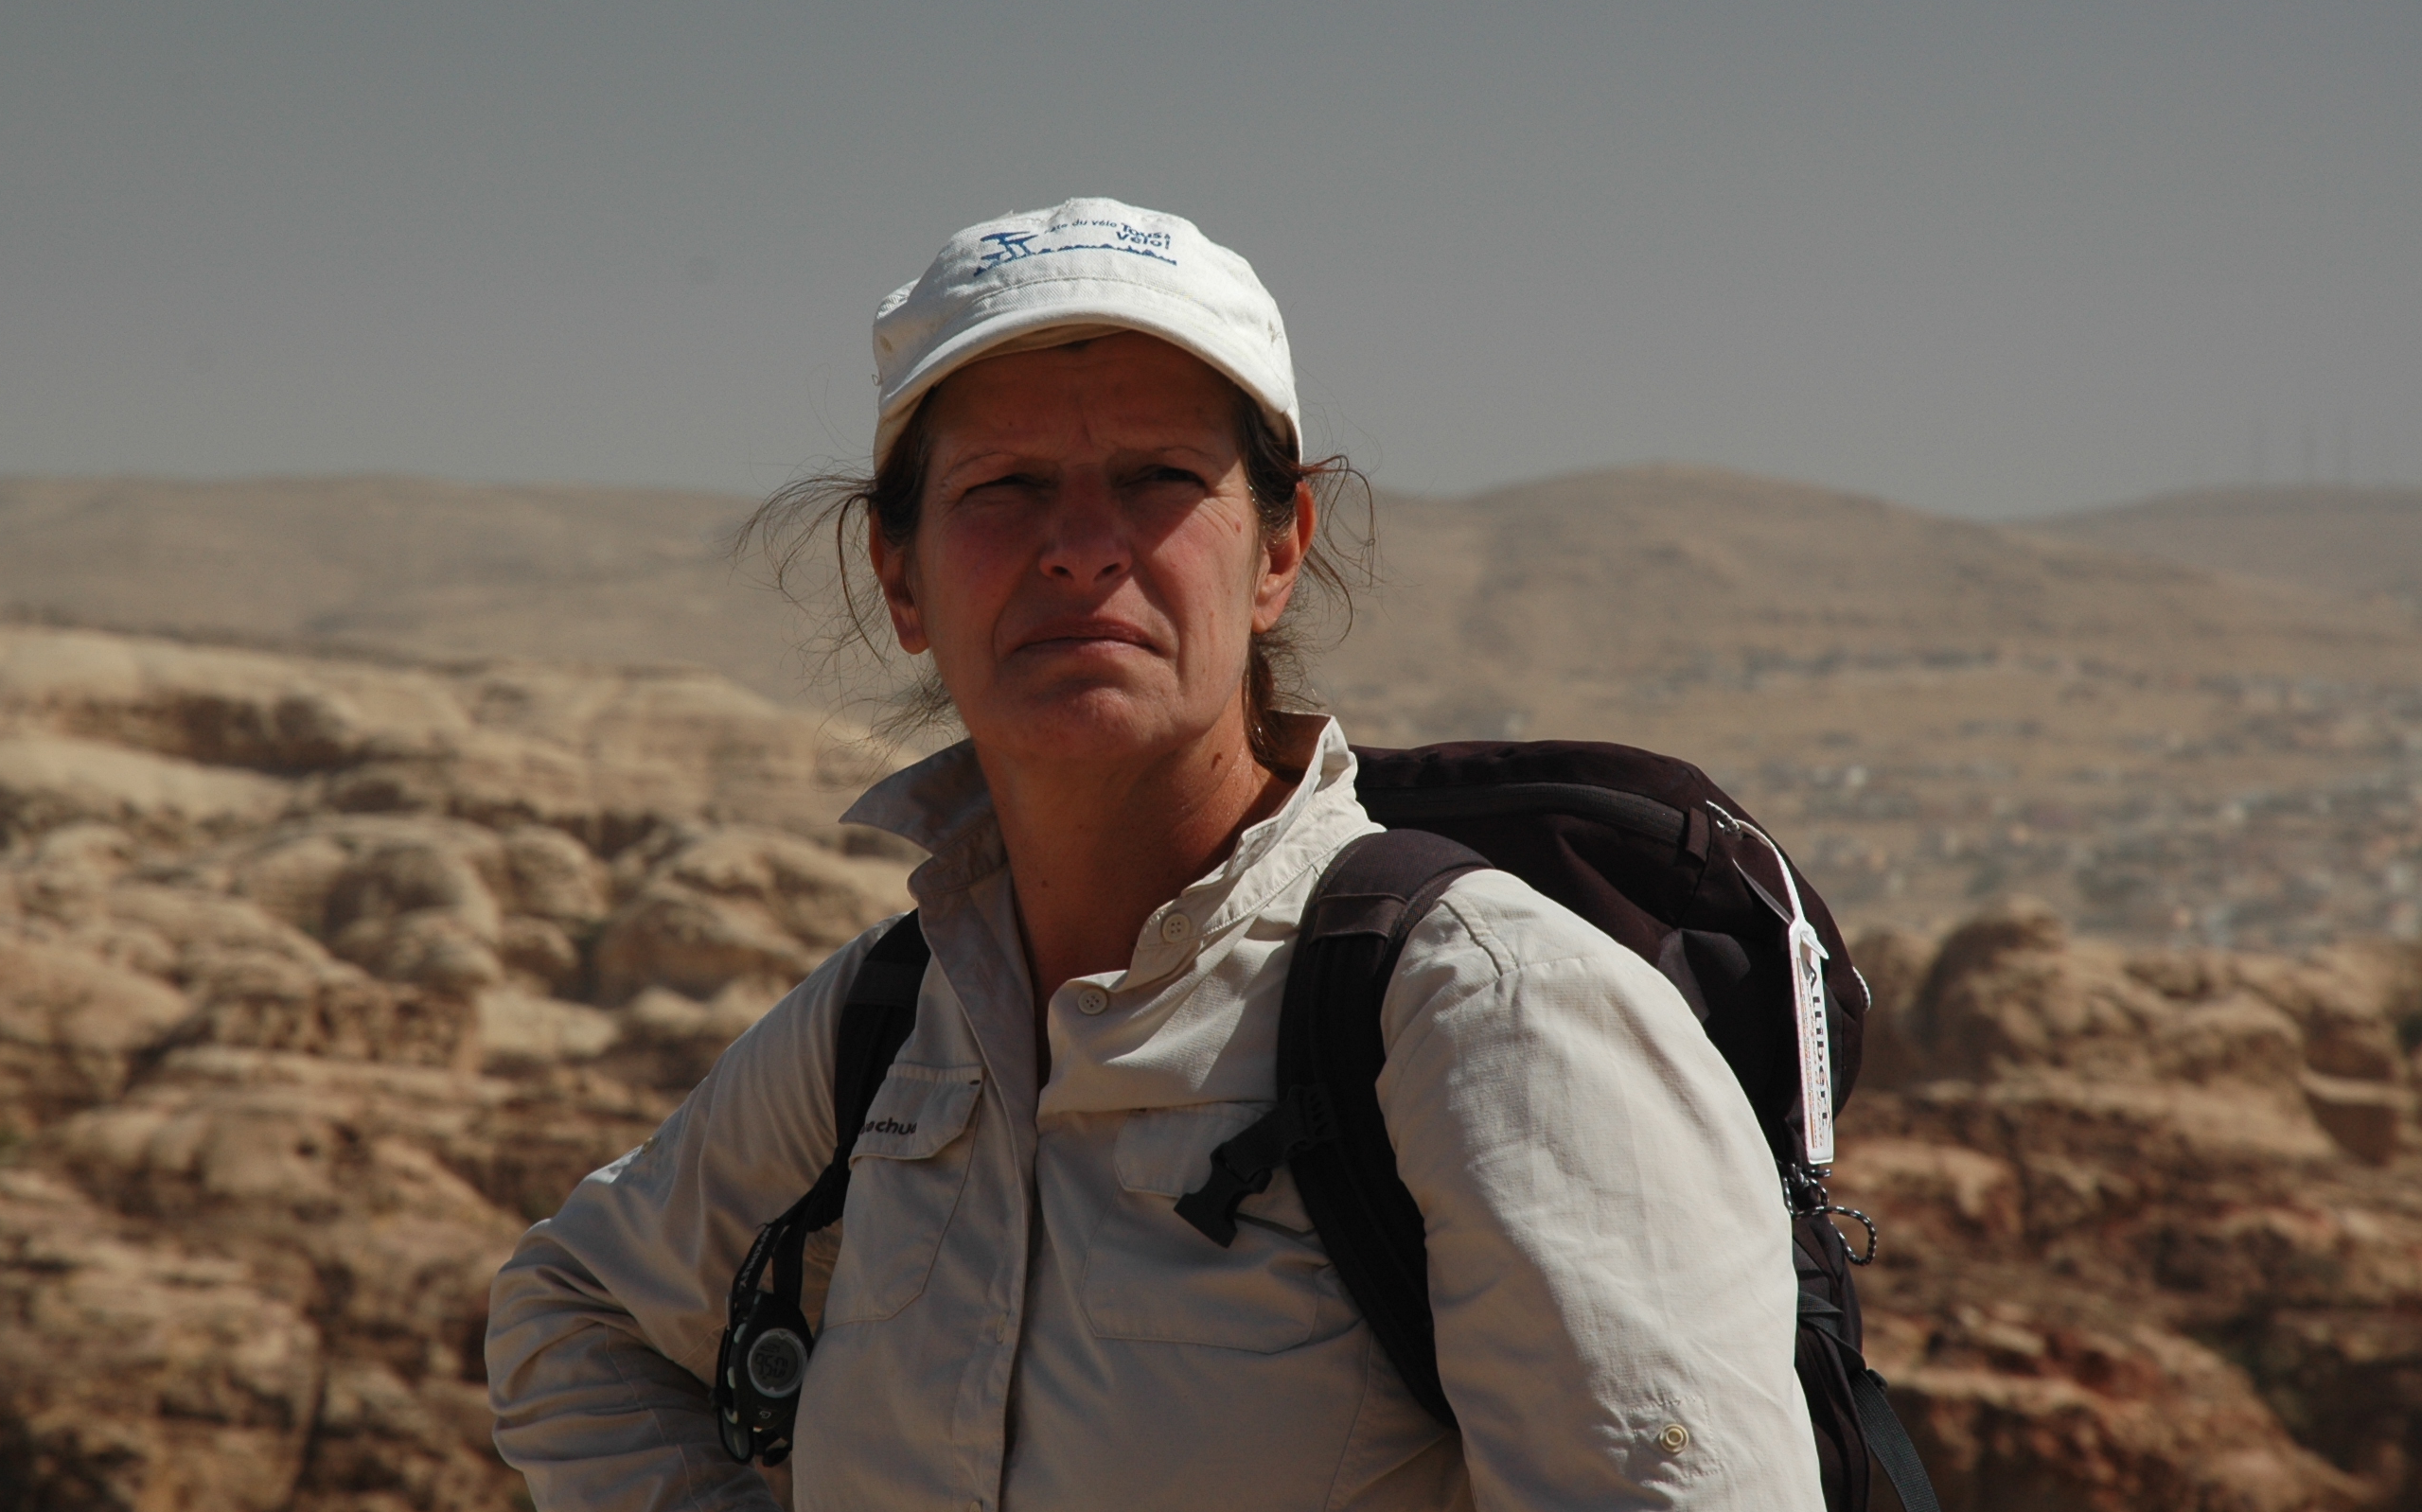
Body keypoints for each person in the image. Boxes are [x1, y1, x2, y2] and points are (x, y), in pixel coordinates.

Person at [485, 199, 1821, 1509]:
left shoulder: (1487, 1017)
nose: (1080, 550)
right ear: (900, 577)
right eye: (1004, 487)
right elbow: (573, 1313)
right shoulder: (892, 1026)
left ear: (1279, 550)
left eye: (1159, 480)